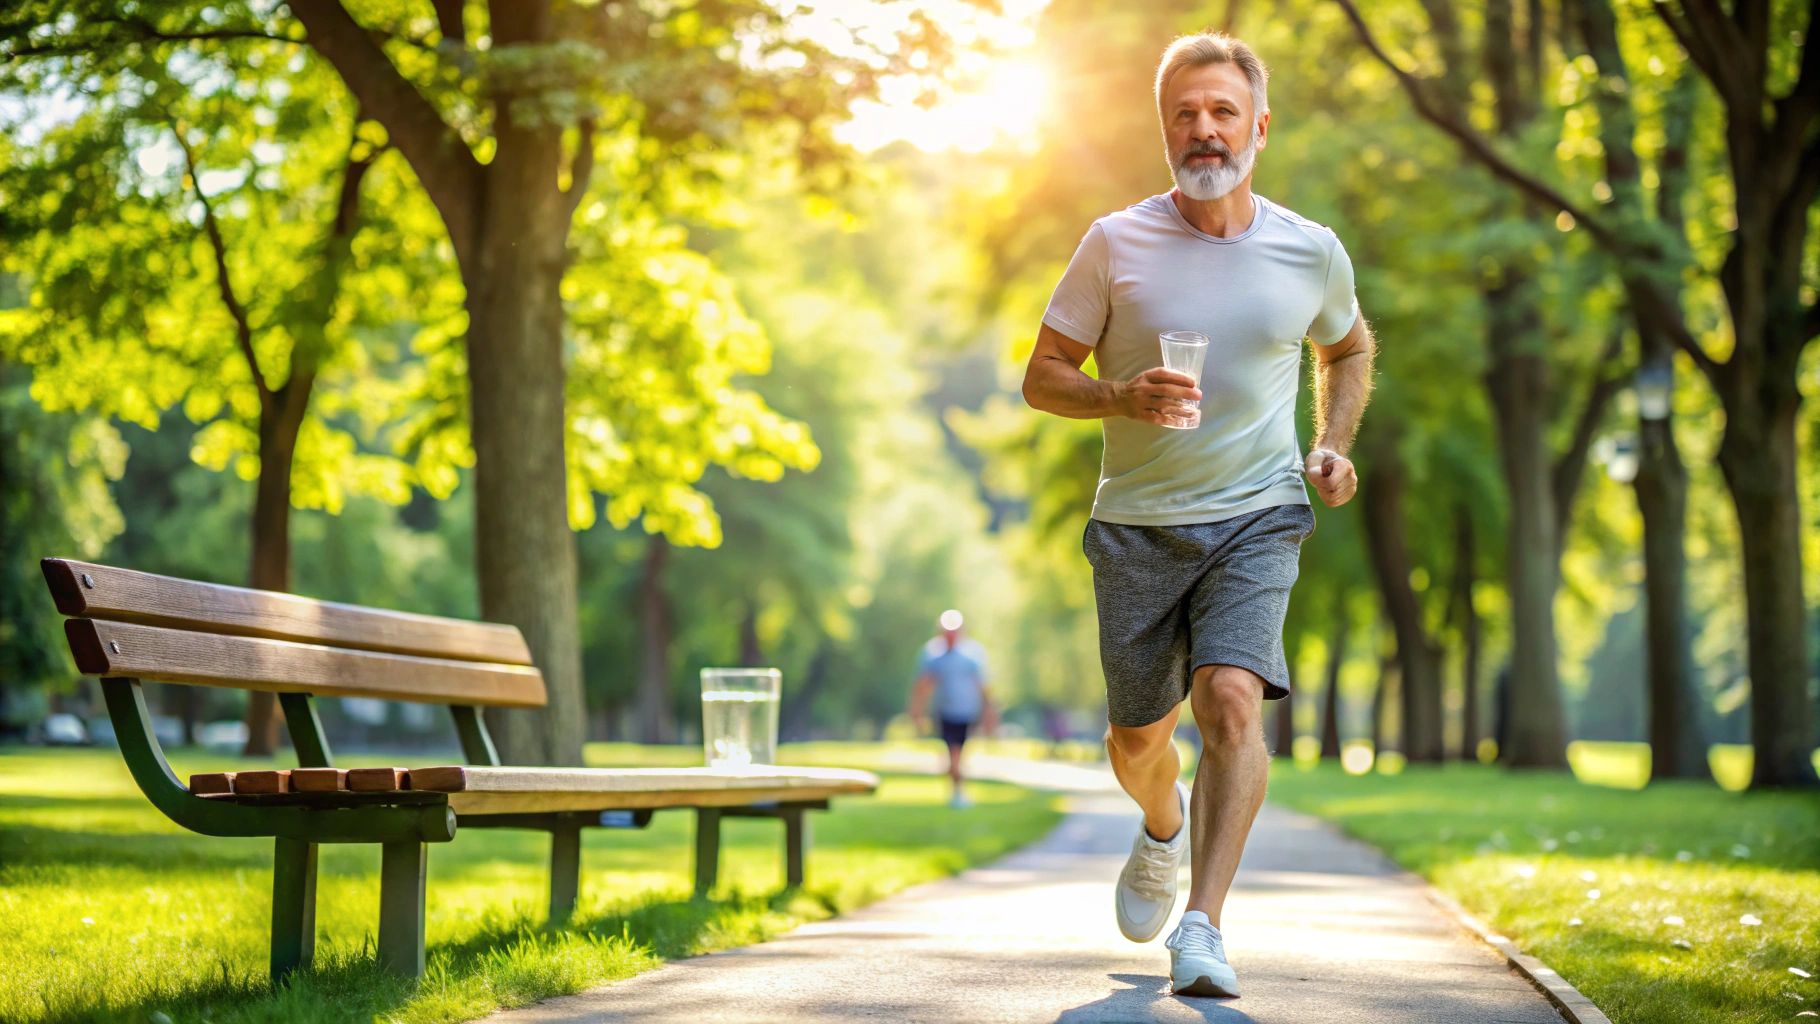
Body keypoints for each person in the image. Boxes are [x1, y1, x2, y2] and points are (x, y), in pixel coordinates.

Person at [1019, 32, 1375, 997]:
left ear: (1258, 127)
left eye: (1222, 111)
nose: (1204, 129)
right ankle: (1161, 825)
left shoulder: (1311, 250)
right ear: (1165, 128)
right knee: (1138, 740)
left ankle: (1205, 926)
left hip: (1259, 511)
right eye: (1186, 113)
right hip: (1137, 521)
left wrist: (1331, 442)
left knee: (1229, 698)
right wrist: (1119, 396)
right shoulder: (1114, 241)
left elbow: (1346, 349)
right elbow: (1042, 377)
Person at [908, 609, 995, 808]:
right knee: (953, 752)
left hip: (967, 712)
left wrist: (990, 714)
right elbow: (922, 685)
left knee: (958, 753)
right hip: (945, 712)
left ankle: (957, 789)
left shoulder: (973, 654)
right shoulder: (932, 654)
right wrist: (917, 713)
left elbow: (984, 687)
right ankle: (957, 791)